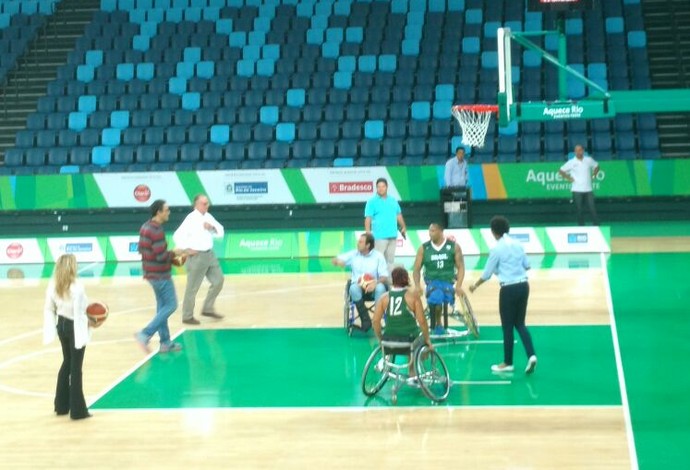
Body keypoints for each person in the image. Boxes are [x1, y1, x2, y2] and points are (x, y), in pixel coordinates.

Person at [469, 216, 537, 374]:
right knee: (520, 324)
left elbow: (486, 274)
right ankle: (531, 355)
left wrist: (475, 285)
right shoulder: (519, 244)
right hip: (523, 286)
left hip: (508, 289)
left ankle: (508, 363)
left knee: (507, 326)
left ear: (493, 232)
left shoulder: (496, 249)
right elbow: (527, 266)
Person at [43, 253, 100, 420]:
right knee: (76, 368)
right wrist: (91, 323)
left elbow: (49, 308)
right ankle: (78, 410)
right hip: (74, 327)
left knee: (67, 362)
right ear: (72, 267)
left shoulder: (53, 285)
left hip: (61, 325)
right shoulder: (77, 287)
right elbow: (79, 314)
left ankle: (61, 406)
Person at [135, 199, 184, 354]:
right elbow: (161, 256)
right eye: (167, 210)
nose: (169, 212)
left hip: (150, 274)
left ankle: (165, 342)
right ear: (159, 212)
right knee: (171, 305)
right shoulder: (156, 230)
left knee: (162, 307)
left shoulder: (145, 227)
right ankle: (145, 334)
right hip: (160, 275)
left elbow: (140, 249)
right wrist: (175, 253)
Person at [173, 194, 225, 325]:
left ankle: (207, 308)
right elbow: (177, 236)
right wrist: (186, 249)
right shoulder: (190, 219)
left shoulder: (208, 217)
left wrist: (212, 228)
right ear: (196, 204)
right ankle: (187, 316)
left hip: (210, 255)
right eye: (204, 203)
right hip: (196, 257)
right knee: (192, 288)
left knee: (219, 280)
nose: (207, 206)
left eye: (207, 203)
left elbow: (221, 232)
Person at [372, 267, 433, 378]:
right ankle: (413, 371)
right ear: (406, 279)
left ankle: (384, 361)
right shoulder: (413, 297)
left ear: (392, 280)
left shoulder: (383, 298)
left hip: (389, 340)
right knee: (420, 341)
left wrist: (381, 338)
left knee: (399, 338)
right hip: (409, 341)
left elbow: (375, 321)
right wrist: (427, 339)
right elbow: (422, 322)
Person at [412, 222, 466, 335]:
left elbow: (461, 267)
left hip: (448, 282)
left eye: (433, 231)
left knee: (443, 297)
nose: (430, 233)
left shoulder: (453, 247)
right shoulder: (424, 248)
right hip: (432, 282)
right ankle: (438, 323)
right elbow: (416, 269)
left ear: (441, 231)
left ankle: (438, 322)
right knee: (437, 297)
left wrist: (459, 285)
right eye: (429, 231)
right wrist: (417, 286)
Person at [332, 232, 389, 331]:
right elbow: (335, 259)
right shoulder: (354, 254)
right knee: (353, 288)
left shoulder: (378, 256)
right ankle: (365, 319)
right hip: (358, 289)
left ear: (368, 245)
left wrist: (374, 283)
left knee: (381, 288)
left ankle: (377, 319)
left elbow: (384, 276)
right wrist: (337, 262)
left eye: (361, 242)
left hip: (373, 288)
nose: (358, 243)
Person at [364, 177, 407, 273]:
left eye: (383, 186)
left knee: (390, 261)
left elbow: (398, 214)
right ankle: (377, 281)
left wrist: (403, 226)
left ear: (387, 187)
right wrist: (368, 233)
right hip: (379, 237)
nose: (381, 188)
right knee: (378, 261)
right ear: (376, 188)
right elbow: (368, 218)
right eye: (378, 187)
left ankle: (389, 282)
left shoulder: (393, 200)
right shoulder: (371, 202)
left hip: (392, 235)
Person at [558, 144, 600, 226]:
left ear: (583, 151)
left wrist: (594, 175)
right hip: (576, 190)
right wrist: (568, 178)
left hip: (588, 190)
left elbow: (597, 166)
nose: (578, 152)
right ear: (574, 152)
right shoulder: (571, 162)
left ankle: (597, 228)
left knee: (592, 209)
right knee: (579, 210)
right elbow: (561, 171)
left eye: (579, 150)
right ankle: (581, 228)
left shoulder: (589, 160)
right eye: (576, 150)